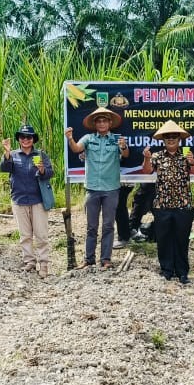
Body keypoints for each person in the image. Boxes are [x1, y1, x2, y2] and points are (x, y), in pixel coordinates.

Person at [65, 106, 129, 269]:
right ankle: (89, 259)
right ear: (95, 124)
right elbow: (76, 149)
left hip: (111, 189)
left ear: (109, 123)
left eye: (104, 121)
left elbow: (126, 155)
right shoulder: (88, 138)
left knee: (108, 226)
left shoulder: (117, 139)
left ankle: (106, 259)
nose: (101, 123)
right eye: (98, 121)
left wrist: (123, 147)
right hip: (92, 188)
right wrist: (70, 139)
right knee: (91, 227)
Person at [141, 121, 194, 283]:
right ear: (163, 140)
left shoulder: (187, 154)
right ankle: (166, 270)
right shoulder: (157, 156)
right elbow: (147, 171)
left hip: (183, 204)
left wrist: (192, 162)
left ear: (179, 139)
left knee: (182, 239)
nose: (171, 139)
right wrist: (146, 158)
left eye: (174, 136)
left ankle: (182, 272)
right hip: (162, 204)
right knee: (164, 239)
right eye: (168, 136)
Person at [0, 124, 55, 277]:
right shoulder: (13, 155)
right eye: (22, 137)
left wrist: (42, 169)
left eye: (29, 137)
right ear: (18, 139)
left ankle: (44, 264)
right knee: (25, 235)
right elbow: (4, 168)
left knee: (41, 234)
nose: (25, 139)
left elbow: (50, 173)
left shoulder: (41, 155)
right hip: (19, 199)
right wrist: (6, 152)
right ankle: (29, 261)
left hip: (38, 199)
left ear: (33, 139)